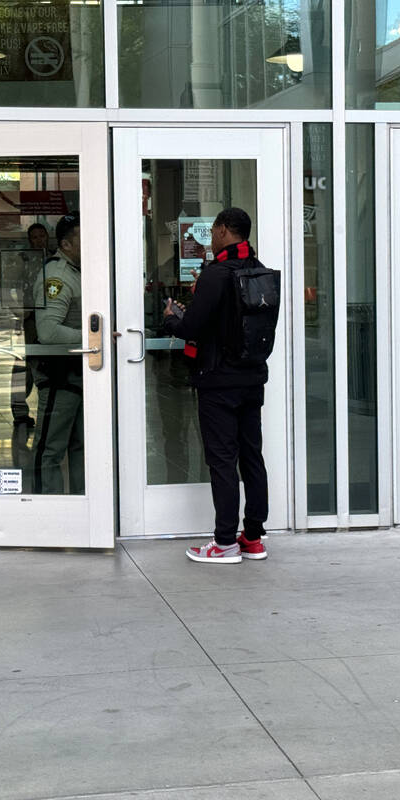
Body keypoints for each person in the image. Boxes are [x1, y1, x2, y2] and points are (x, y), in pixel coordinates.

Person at [163, 207, 269, 564]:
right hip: (252, 378)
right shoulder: (258, 270)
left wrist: (171, 319)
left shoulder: (217, 274)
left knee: (223, 460)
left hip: (218, 382)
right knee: (251, 456)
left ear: (224, 230)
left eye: (214, 230)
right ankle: (252, 537)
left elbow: (191, 327)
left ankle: (224, 542)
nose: (212, 236)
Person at [32, 213, 84, 495]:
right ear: (65, 244)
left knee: (82, 446)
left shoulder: (79, 271)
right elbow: (48, 332)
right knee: (51, 448)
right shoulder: (57, 276)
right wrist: (93, 338)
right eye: (82, 238)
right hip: (60, 374)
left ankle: (82, 510)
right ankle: (45, 511)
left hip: (80, 371)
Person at [11, 222, 51, 427]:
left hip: (51, 319)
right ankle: (19, 411)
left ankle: (51, 408)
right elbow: (11, 288)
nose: (38, 240)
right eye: (34, 237)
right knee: (24, 365)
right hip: (29, 320)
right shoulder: (23, 260)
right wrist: (20, 311)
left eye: (41, 236)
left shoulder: (54, 260)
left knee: (48, 362)